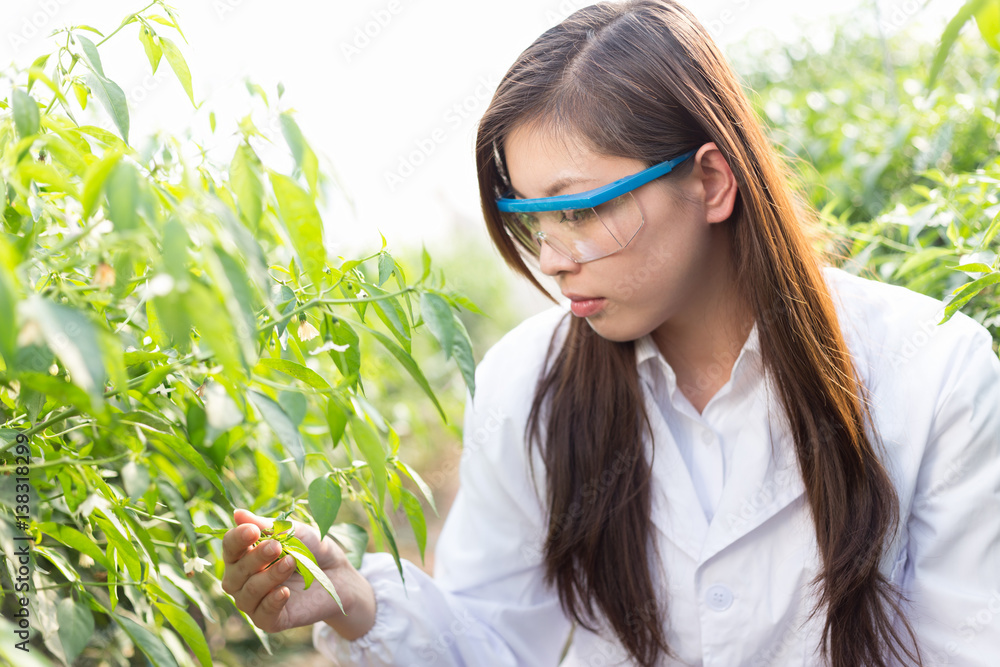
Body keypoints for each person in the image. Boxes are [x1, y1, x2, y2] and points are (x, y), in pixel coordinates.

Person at [219, 1, 1000, 665]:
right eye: (530, 220)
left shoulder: (930, 370)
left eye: (583, 209)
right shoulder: (528, 382)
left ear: (711, 181)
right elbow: (494, 635)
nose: (554, 261)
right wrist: (359, 605)